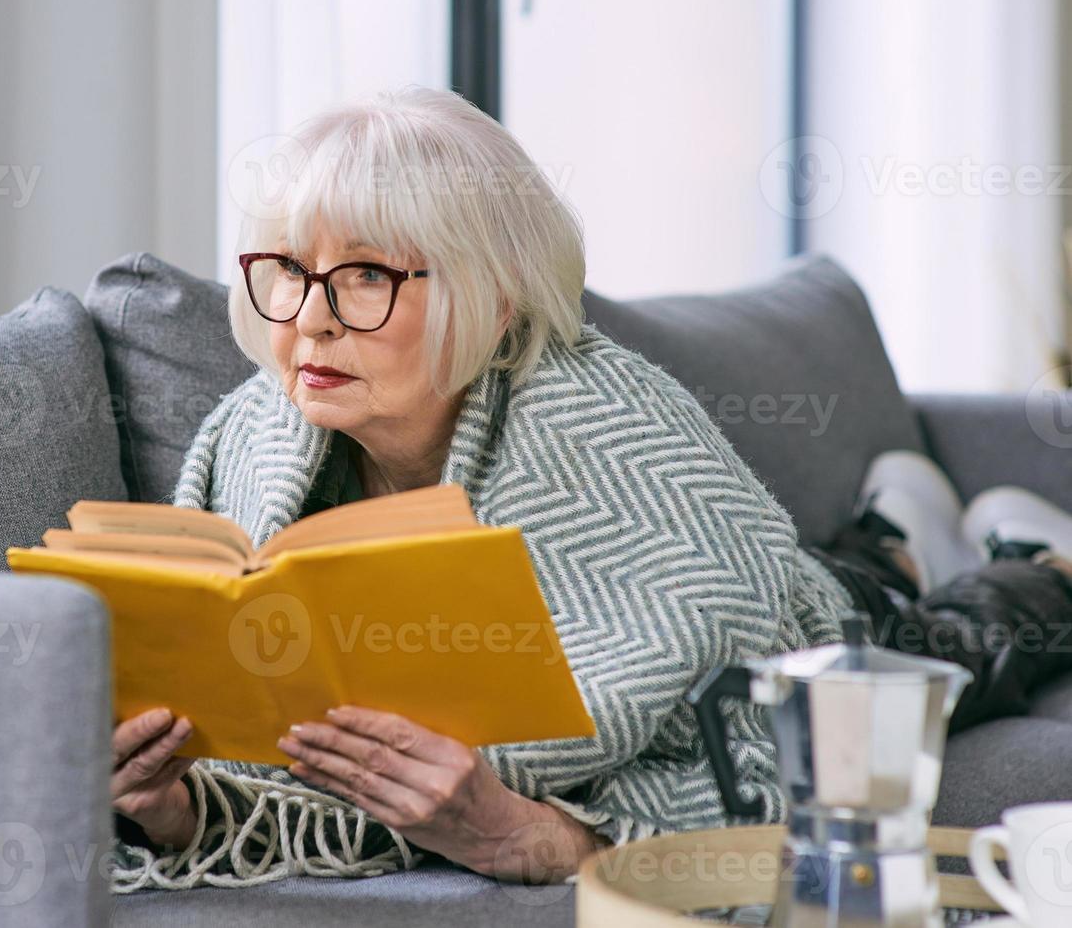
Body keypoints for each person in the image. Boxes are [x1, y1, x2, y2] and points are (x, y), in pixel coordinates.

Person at [102, 85, 1072, 893]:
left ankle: (1033, 563)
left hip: (808, 623)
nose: (307, 320)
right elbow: (250, 759)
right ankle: (889, 531)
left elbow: (747, 703)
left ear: (495, 292)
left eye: (362, 276)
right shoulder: (252, 432)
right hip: (789, 567)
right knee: (862, 564)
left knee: (945, 645)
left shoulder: (609, 424)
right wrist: (177, 806)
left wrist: (536, 828)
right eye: (286, 270)